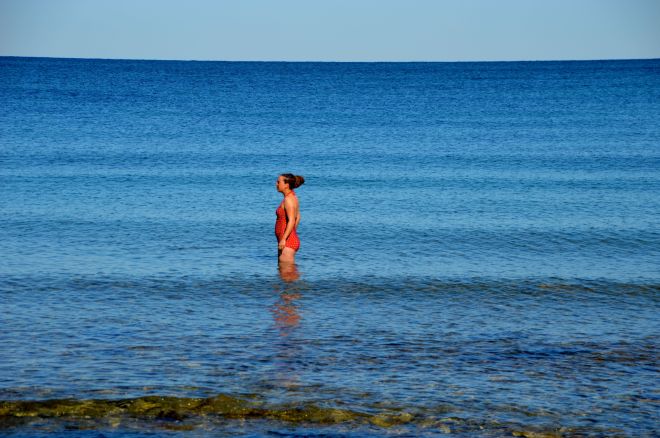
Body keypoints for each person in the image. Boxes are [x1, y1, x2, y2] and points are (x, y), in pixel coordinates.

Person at [275, 173, 304, 264]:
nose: (276, 184)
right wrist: (292, 232)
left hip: (287, 242)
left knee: (287, 274)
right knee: (285, 274)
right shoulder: (292, 197)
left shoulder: (288, 200)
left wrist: (284, 238)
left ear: (286, 185)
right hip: (288, 239)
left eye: (278, 182)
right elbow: (298, 216)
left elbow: (292, 220)